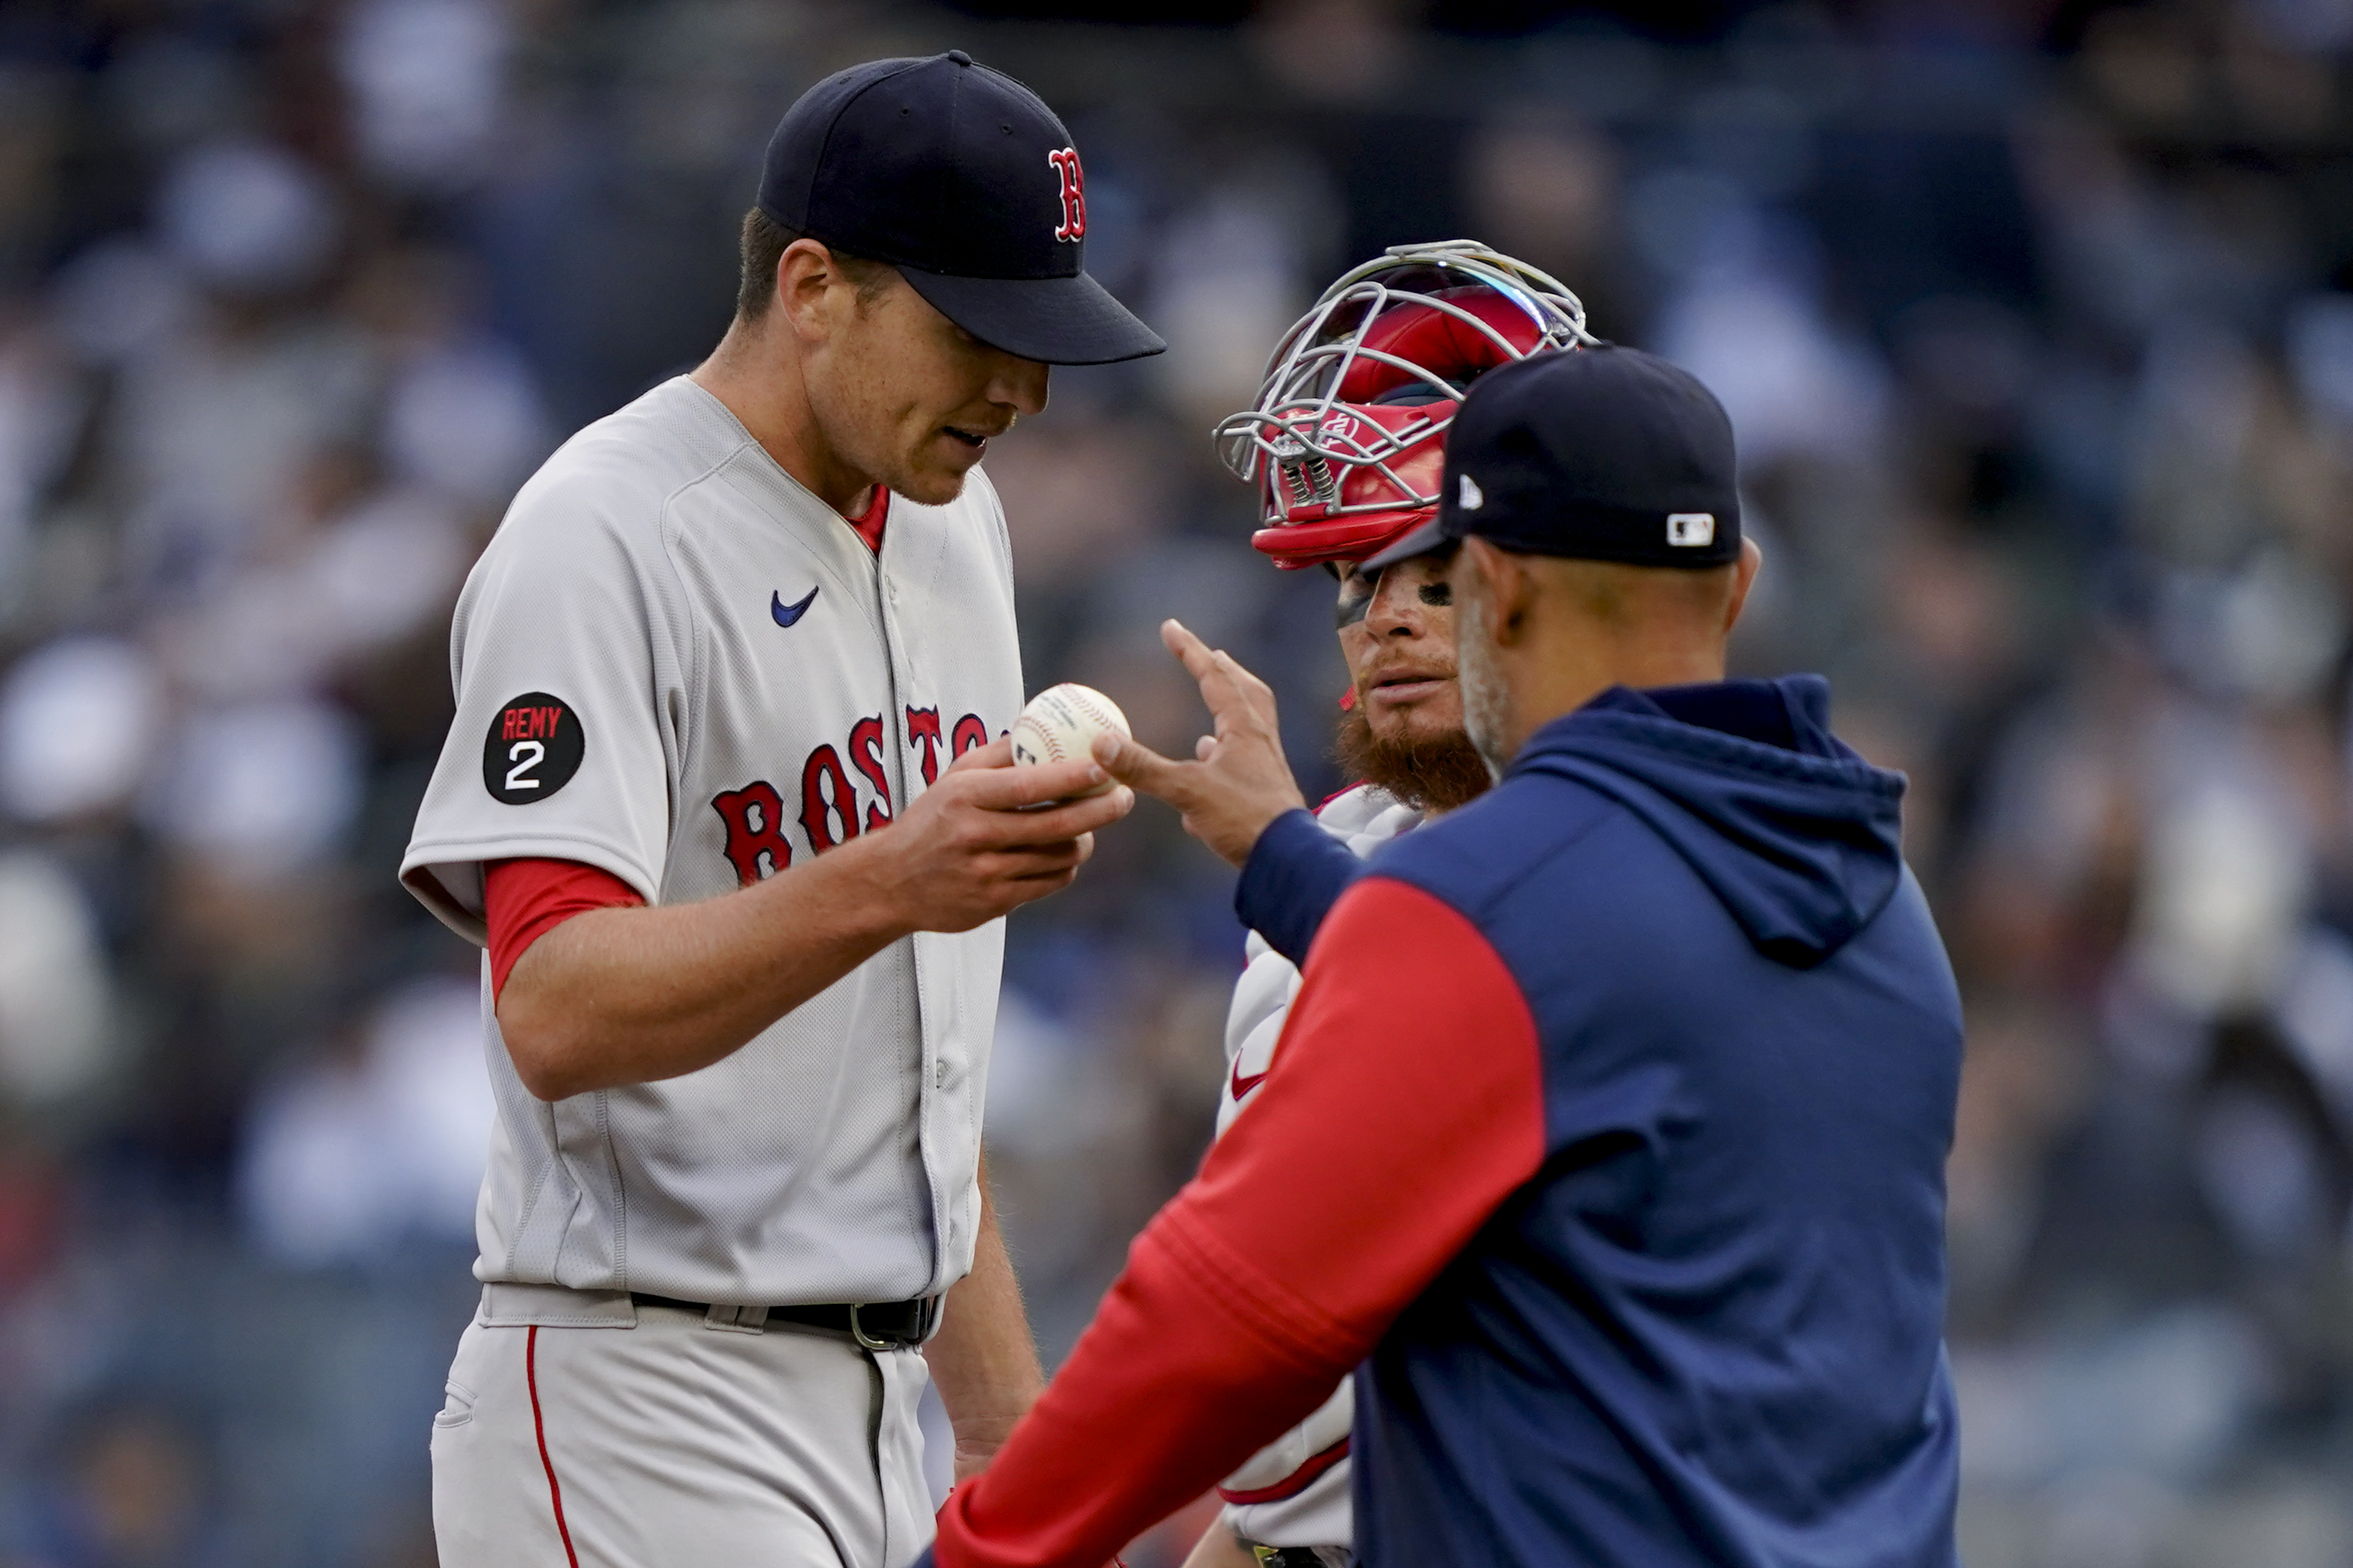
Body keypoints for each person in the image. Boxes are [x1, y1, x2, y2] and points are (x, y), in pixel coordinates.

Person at [922, 342, 1964, 1567]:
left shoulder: (1485, 913)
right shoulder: (1880, 905)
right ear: (1734, 586)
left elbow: (1214, 1327)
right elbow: (1589, 979)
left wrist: (976, 1556)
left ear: (1495, 587)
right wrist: (1283, 857)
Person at [397, 52, 1158, 1568]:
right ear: (816, 286)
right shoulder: (605, 529)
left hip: (882, 1400)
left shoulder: (958, 524)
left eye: (1044, 339)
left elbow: (917, 1069)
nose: (1020, 389)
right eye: (976, 330)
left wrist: (1011, 1437)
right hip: (641, 1386)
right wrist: (894, 874)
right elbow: (550, 1005)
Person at [1158, 242, 1595, 1568]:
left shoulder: (1615, 845)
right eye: (1356, 578)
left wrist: (1276, 856)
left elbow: (1463, 1012)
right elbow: (1286, 1450)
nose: (1385, 618)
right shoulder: (1343, 839)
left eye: (1434, 573)